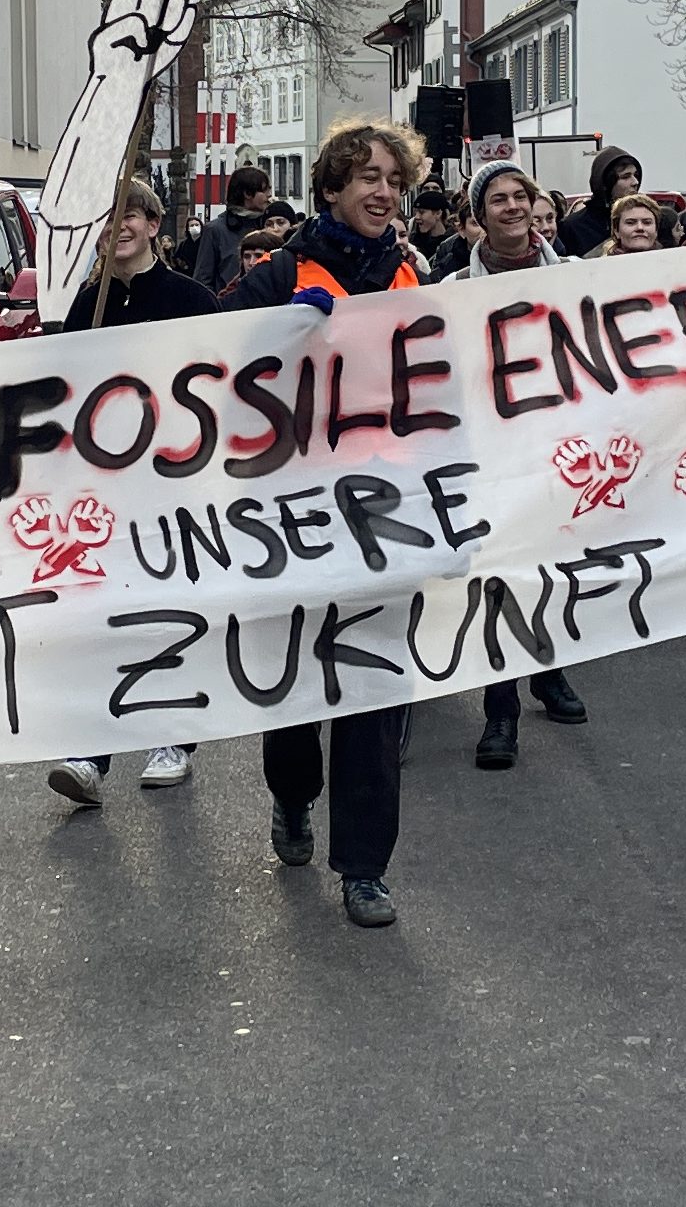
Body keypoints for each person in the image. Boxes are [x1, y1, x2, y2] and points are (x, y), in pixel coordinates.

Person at [228, 117, 426, 929]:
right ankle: (292, 793)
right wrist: (278, 332)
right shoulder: (279, 276)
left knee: (376, 691)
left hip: (391, 517)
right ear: (333, 188)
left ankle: (365, 868)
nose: (383, 192)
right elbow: (223, 376)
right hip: (298, 520)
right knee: (299, 692)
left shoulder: (417, 276)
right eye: (367, 178)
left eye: (393, 181)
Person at [48, 181, 218, 804]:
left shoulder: (191, 299)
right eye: (107, 217)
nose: (118, 226)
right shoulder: (86, 304)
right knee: (103, 614)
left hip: (177, 484)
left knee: (171, 612)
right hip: (105, 488)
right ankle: (92, 752)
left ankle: (172, 735)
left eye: (131, 215)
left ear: (152, 225)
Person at [442, 159, 590, 766]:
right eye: (497, 199)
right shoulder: (454, 293)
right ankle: (499, 708)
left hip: (561, 450)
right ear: (479, 220)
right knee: (498, 577)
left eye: (520, 195)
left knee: (557, 568)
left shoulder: (579, 279)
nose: (512, 206)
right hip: (491, 456)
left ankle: (549, 668)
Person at [191, 166, 272, 292]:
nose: (269, 195)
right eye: (265, 190)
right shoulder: (215, 230)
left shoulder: (271, 226)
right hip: (230, 307)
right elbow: (202, 280)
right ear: (247, 194)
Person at [558, 146, 641, 257]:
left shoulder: (646, 221)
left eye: (636, 175)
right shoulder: (572, 227)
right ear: (606, 183)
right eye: (626, 177)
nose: (635, 182)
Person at [427, 198, 483, 283]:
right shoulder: (446, 268)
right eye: (476, 223)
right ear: (461, 230)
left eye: (487, 221)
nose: (484, 230)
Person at [596, 194, 663, 256]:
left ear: (656, 230)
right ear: (616, 230)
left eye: (647, 222)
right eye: (630, 223)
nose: (640, 228)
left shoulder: (671, 263)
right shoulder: (599, 267)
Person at [408, 184, 452, 261]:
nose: (417, 217)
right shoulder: (413, 243)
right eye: (416, 212)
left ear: (438, 213)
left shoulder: (453, 244)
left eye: (421, 212)